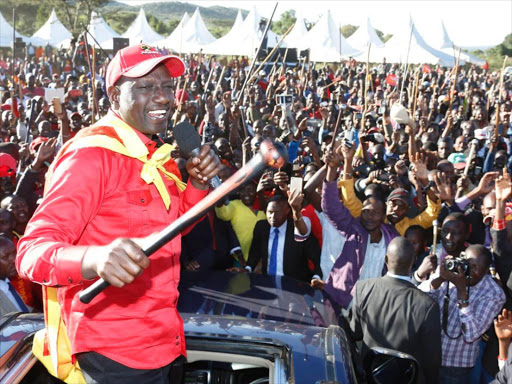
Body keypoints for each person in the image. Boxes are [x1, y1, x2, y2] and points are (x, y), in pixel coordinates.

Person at [16, 44, 221, 383]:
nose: (163, 97)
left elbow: (173, 231)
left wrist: (197, 184)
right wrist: (94, 259)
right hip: (114, 356)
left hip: (166, 341)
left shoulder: (155, 154)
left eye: (167, 86)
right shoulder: (91, 156)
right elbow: (31, 251)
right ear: (114, 96)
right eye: (145, 86)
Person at [350, 237, 441, 384]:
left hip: (369, 376)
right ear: (414, 261)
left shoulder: (363, 288)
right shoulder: (428, 305)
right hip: (407, 379)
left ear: (386, 259)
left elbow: (355, 332)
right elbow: (432, 360)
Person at [419, 244, 506, 384]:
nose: (469, 271)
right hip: (428, 354)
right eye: (468, 264)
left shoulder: (494, 293)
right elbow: (418, 300)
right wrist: (440, 278)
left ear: (486, 272)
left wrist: (461, 291)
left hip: (455, 365)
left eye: (476, 268)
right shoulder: (452, 271)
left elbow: (471, 334)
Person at [239, 193, 321, 283]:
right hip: (269, 283)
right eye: (270, 212)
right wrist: (248, 269)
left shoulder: (298, 228)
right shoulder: (261, 227)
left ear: (287, 211)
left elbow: (317, 256)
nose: (272, 217)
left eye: (277, 212)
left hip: (295, 285)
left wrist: (316, 278)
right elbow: (255, 253)